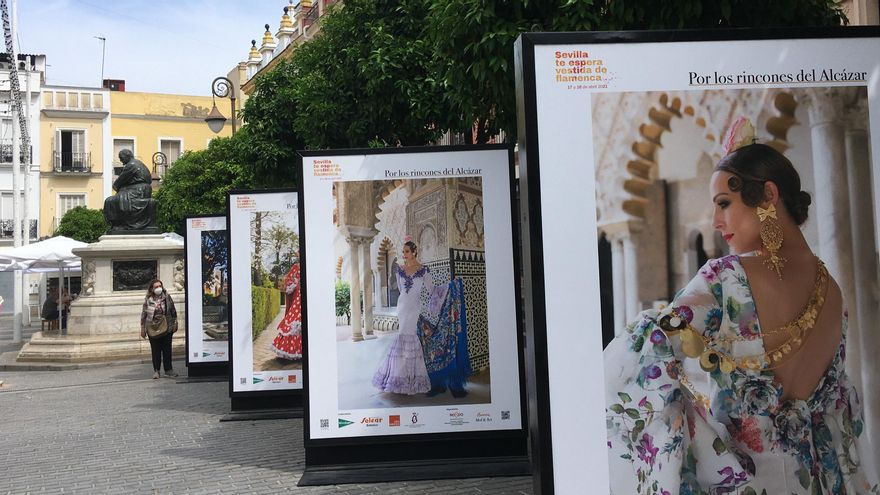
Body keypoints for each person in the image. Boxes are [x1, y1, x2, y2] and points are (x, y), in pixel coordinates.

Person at [604, 118, 878, 494]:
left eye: (724, 204)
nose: (716, 222)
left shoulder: (726, 279)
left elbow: (642, 354)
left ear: (768, 195)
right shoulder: (832, 292)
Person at [372, 240, 433, 395]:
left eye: (406, 251)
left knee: (410, 336)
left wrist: (447, 289)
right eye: (403, 251)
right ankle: (398, 377)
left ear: (414, 252)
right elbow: (401, 289)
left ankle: (410, 378)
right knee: (402, 336)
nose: (404, 254)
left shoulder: (423, 270)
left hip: (414, 308)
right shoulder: (400, 270)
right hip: (403, 307)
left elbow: (431, 289)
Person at [103, 149, 157, 233]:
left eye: (121, 158)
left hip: (138, 191)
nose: (120, 160)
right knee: (115, 199)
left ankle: (118, 224)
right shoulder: (138, 163)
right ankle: (120, 224)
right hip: (142, 190)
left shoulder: (131, 165)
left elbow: (120, 181)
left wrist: (116, 187)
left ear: (127, 156)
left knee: (110, 201)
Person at [140, 279, 178, 379]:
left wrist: (175, 323)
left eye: (160, 286)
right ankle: (156, 370)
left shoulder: (167, 297)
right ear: (152, 289)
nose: (158, 288)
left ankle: (168, 370)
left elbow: (173, 311)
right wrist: (142, 328)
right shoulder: (148, 300)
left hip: (167, 326)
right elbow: (143, 314)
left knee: (167, 349)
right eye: (156, 287)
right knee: (155, 350)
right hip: (152, 327)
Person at [271, 262, 303, 359]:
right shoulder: (296, 267)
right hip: (298, 298)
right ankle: (294, 349)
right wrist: (295, 283)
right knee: (295, 322)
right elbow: (288, 282)